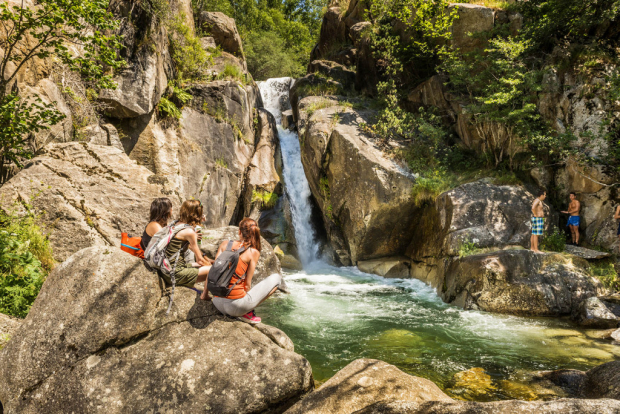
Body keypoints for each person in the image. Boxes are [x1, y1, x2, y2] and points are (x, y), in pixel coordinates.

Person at [207, 218, 282, 324]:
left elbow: (213, 272)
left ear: (239, 231)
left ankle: (244, 310)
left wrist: (205, 294)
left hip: (217, 302)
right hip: (235, 307)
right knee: (277, 278)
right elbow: (247, 285)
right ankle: (247, 313)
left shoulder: (225, 244)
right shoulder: (253, 252)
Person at [159, 200, 212, 292]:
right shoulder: (189, 232)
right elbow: (200, 260)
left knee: (197, 265)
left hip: (165, 269)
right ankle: (205, 295)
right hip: (175, 273)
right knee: (214, 269)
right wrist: (210, 265)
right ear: (197, 214)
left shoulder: (174, 224)